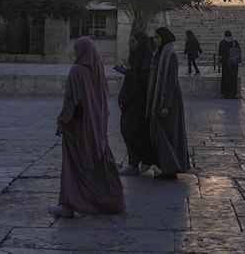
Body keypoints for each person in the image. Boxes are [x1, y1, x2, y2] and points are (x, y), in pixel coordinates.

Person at [49, 36, 125, 217]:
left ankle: (68, 205)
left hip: (78, 128)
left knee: (73, 165)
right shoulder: (98, 71)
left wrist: (62, 123)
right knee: (99, 164)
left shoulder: (77, 71)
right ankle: (111, 201)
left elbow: (72, 101)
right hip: (96, 127)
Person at [147, 27, 189, 180]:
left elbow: (170, 81)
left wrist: (165, 104)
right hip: (160, 98)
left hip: (168, 100)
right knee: (162, 133)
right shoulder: (160, 53)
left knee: (168, 133)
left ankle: (170, 169)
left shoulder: (170, 54)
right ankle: (167, 166)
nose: (154, 40)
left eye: (157, 37)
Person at [117, 30, 157, 176]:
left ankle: (143, 159)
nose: (131, 45)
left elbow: (143, 81)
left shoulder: (146, 59)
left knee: (131, 128)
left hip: (140, 101)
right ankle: (135, 161)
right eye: (130, 41)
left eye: (133, 42)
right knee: (127, 128)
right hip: (131, 100)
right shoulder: (135, 57)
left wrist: (131, 70)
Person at [217, 30, 241, 99]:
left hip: (226, 62)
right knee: (233, 77)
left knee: (226, 77)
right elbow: (239, 51)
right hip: (234, 62)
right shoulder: (235, 42)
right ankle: (233, 94)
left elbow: (220, 53)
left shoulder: (222, 42)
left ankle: (226, 94)